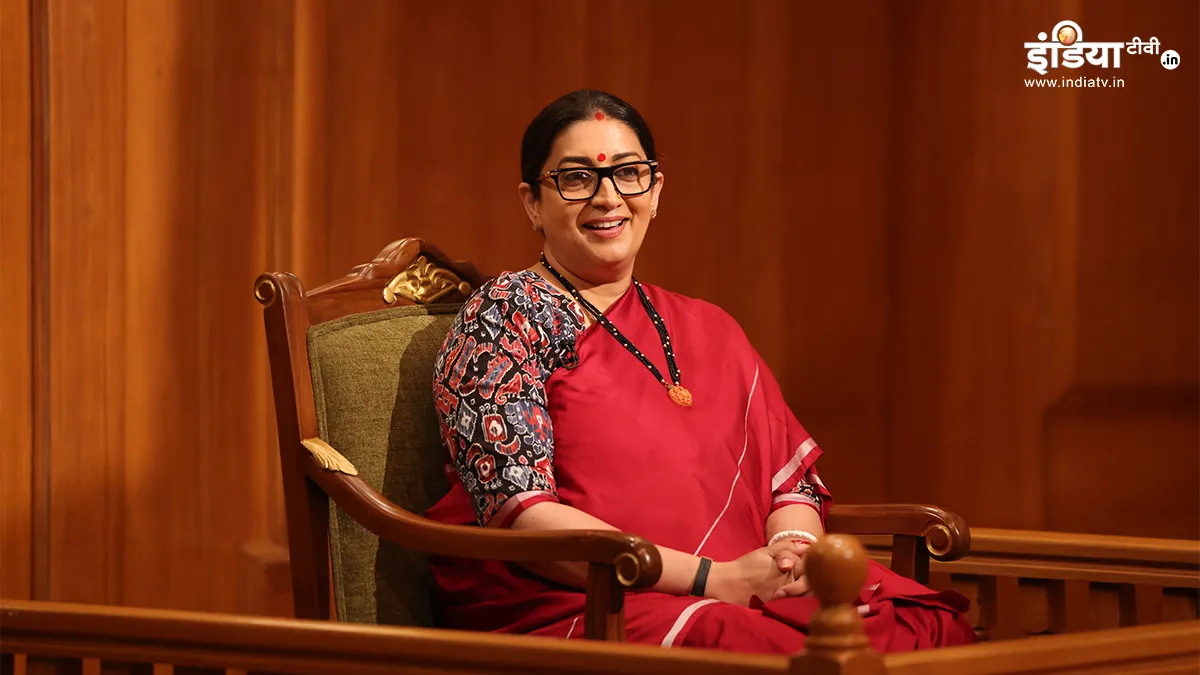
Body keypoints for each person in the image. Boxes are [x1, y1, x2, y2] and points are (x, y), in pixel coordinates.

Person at [425, 89, 974, 653]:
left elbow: (789, 486)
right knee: (769, 651)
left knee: (929, 628)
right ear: (532, 203)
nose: (608, 197)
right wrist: (715, 578)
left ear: (655, 190)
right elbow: (520, 513)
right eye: (577, 178)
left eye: (629, 173)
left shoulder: (707, 326)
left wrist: (792, 556)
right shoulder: (505, 318)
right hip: (592, 598)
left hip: (745, 581)